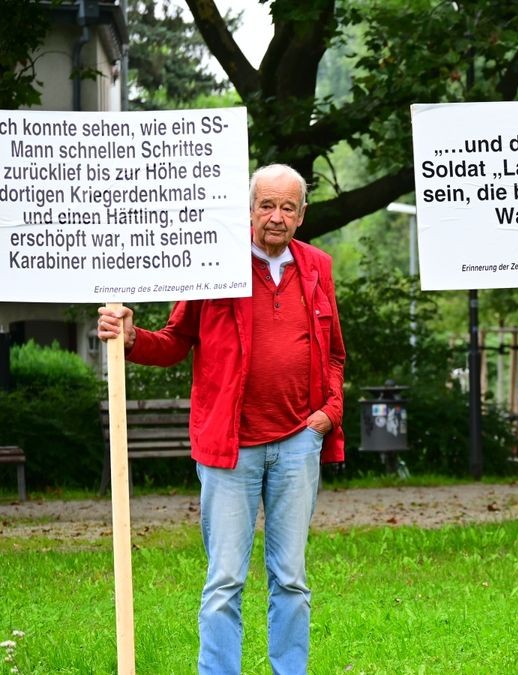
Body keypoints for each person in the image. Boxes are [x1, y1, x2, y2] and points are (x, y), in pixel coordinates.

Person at [97, 164, 345, 674]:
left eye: (287, 208)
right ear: (249, 208)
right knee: (224, 581)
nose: (276, 217)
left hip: (299, 441)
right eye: (266, 205)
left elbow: (335, 354)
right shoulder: (214, 264)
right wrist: (131, 338)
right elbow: (173, 342)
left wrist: (329, 412)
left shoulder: (318, 266)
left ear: (302, 216)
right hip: (231, 448)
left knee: (292, 579)